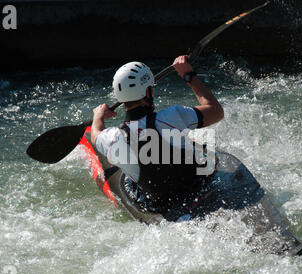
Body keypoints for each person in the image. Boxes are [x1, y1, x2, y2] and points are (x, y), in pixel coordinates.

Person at [91, 55, 224, 205]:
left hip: (164, 204)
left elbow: (95, 136)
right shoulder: (173, 116)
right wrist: (189, 76)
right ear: (148, 93)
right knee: (190, 142)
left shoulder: (114, 138)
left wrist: (98, 116)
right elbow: (216, 111)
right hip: (202, 188)